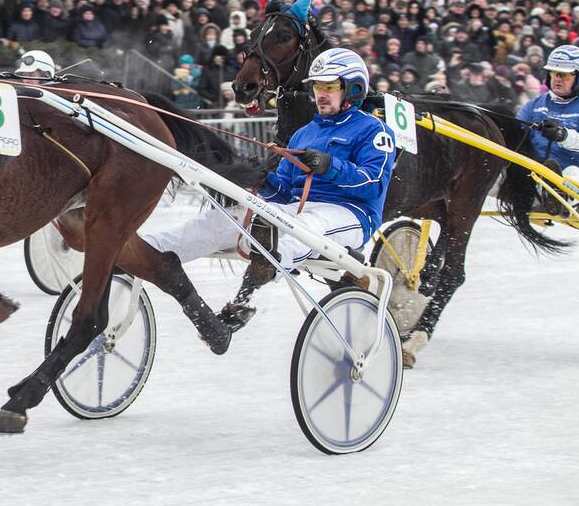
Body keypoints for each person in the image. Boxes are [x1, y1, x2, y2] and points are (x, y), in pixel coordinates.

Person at [140, 47, 396, 330]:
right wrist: (259, 178)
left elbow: (373, 183)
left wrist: (329, 165)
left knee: (303, 225)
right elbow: (284, 191)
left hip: (349, 213)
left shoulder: (374, 130)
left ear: (354, 88)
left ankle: (251, 287)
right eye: (317, 86)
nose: (321, 93)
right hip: (295, 205)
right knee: (232, 216)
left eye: (330, 86)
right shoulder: (305, 132)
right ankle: (147, 249)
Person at [517, 45, 579, 212]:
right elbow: (516, 132)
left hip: (577, 175)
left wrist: (563, 135)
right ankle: (548, 195)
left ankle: (560, 198)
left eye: (565, 75)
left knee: (573, 172)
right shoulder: (534, 105)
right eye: (554, 74)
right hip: (537, 172)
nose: (558, 79)